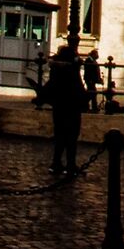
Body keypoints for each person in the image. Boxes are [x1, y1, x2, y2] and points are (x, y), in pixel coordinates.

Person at [46, 44, 85, 174]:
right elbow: (78, 88)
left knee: (59, 136)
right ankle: (70, 164)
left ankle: (56, 162)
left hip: (59, 106)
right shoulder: (72, 70)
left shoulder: (55, 69)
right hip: (72, 107)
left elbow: (51, 86)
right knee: (72, 137)